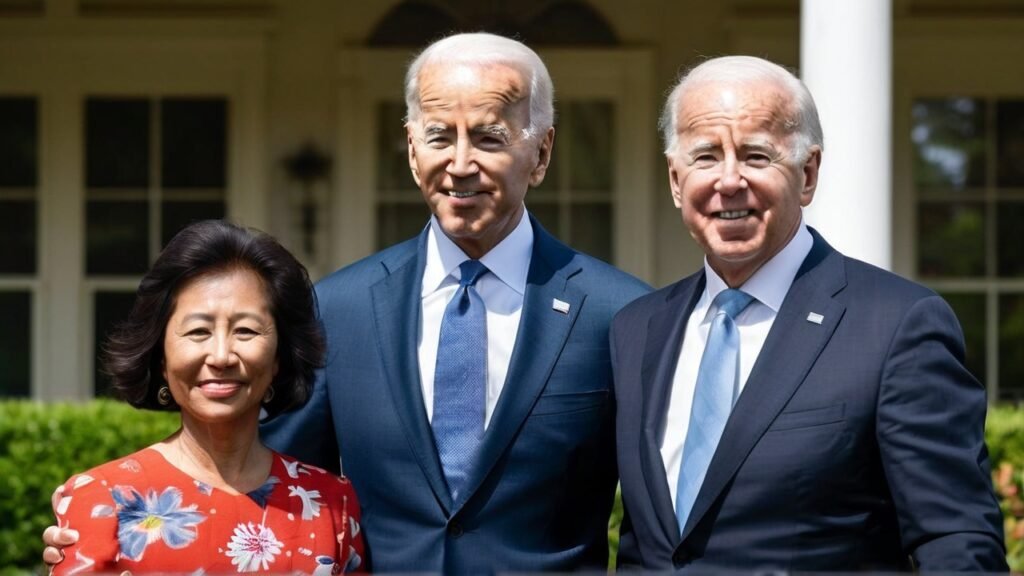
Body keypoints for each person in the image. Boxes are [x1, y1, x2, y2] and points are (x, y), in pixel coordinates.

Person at [44, 33, 650, 573]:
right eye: (439, 136)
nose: (460, 163)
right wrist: (112, 527)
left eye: (489, 137)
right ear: (412, 149)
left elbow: (657, 523)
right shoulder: (339, 308)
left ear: (540, 153)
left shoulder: (617, 314)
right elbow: (272, 489)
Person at [611, 54, 1007, 571]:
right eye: (705, 156)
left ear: (807, 174)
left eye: (756, 156)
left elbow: (955, 539)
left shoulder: (896, 325)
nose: (729, 181)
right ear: (675, 179)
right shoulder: (636, 329)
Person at [49, 220, 364, 574]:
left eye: (245, 330)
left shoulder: (330, 503)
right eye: (198, 331)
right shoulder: (103, 499)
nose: (220, 356)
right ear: (161, 357)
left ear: (279, 357)